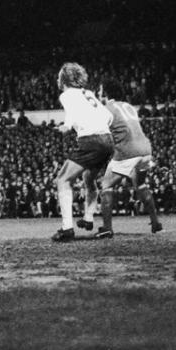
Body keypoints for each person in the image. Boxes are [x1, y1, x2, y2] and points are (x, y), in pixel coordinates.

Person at [51, 62, 113, 242]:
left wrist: (67, 126)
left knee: (63, 179)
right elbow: (108, 117)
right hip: (107, 140)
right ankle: (88, 217)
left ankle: (67, 228)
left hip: (90, 140)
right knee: (89, 179)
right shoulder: (88, 93)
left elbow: (71, 113)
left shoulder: (66, 94)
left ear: (64, 79)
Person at [93, 79, 163, 239]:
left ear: (106, 94)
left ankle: (107, 227)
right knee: (140, 184)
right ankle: (155, 223)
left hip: (127, 150)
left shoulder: (105, 109)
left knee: (106, 185)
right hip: (146, 149)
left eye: (100, 91)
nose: (98, 94)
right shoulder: (128, 106)